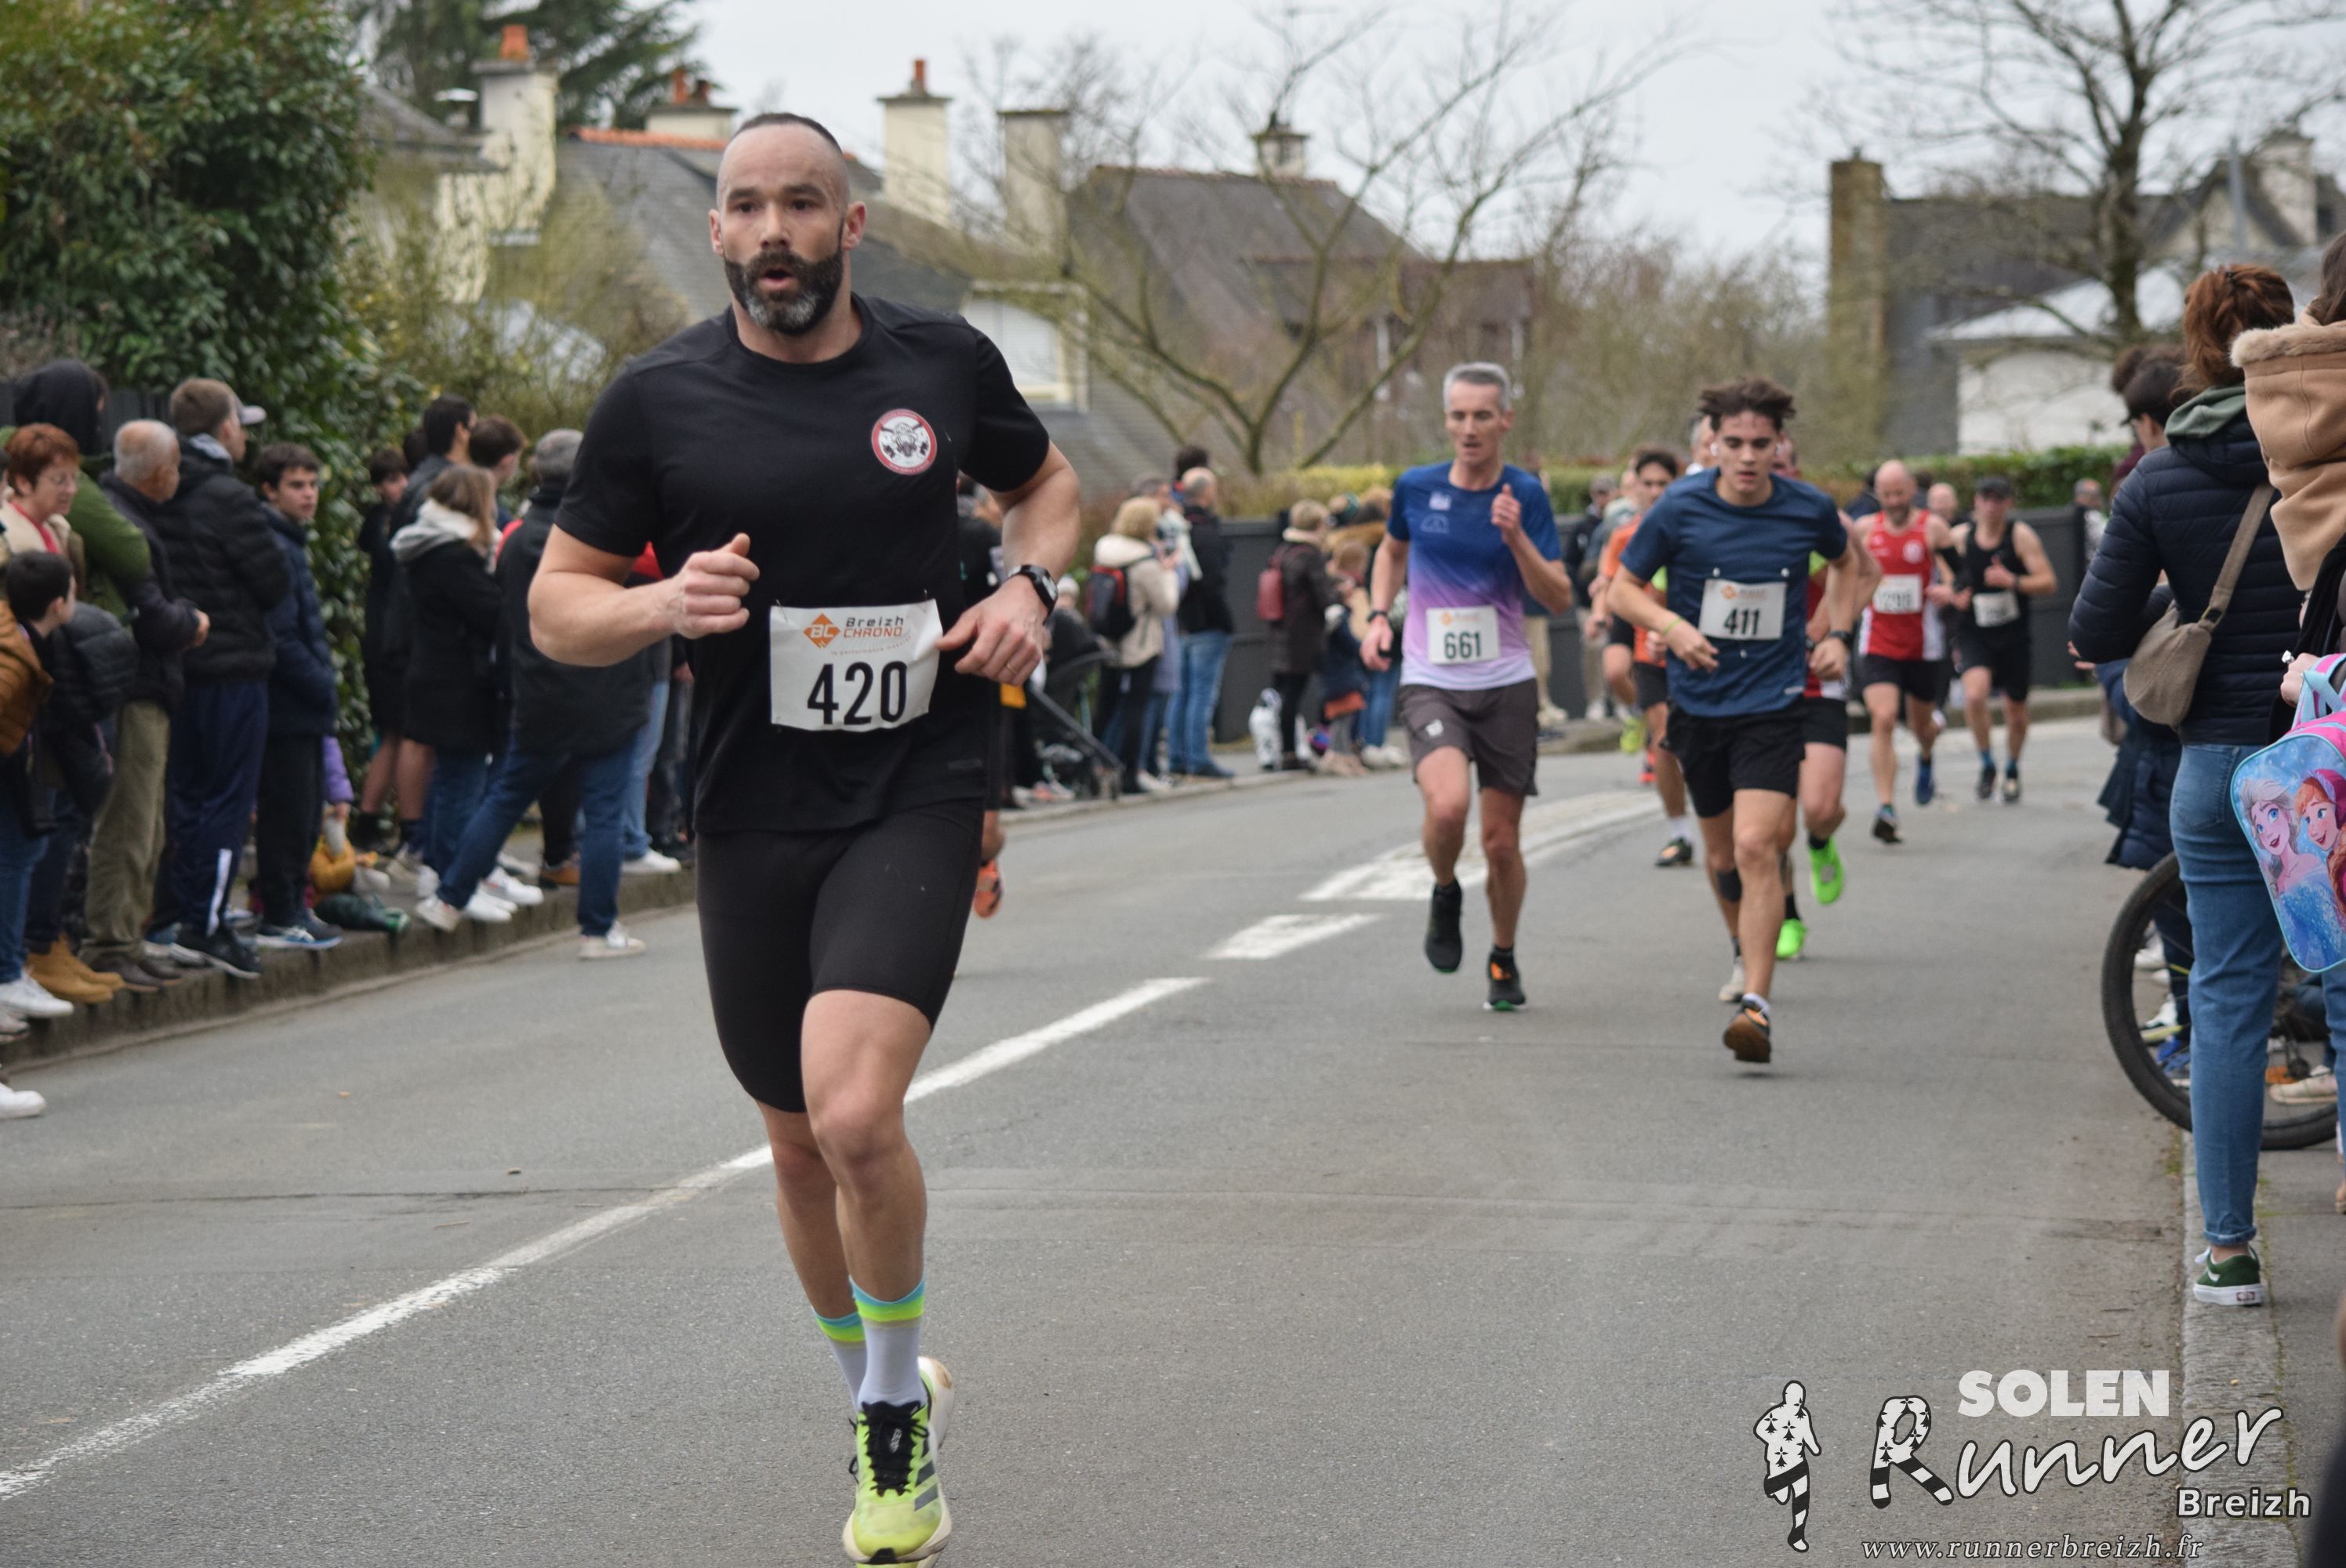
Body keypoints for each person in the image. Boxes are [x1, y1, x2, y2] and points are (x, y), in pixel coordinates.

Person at [528, 110, 1080, 1564]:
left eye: (804, 204)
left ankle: (890, 1420)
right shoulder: (657, 401)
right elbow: (557, 607)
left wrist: (1028, 589)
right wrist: (660, 605)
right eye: (748, 206)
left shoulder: (939, 365)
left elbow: (1045, 487)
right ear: (717, 230)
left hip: (916, 779)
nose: (775, 231)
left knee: (851, 1115)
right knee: (790, 1146)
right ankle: (883, 1385)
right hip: (751, 800)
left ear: (851, 224)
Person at [2071, 263, 2302, 1310]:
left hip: (2216, 768)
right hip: (2325, 762)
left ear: (2194, 351)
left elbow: (2093, 630)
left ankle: (2229, 1252)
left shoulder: (2157, 479)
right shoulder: (2328, 457)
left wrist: (2184, 590)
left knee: (2227, 994)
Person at [1608, 376, 1861, 1063]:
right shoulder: (1679, 509)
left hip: (1774, 703)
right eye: (1735, 443)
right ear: (1713, 443)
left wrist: (1836, 633)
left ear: (1780, 444)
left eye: (1761, 443)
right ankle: (1741, 946)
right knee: (1721, 854)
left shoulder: (1807, 508)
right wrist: (1671, 627)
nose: (1748, 457)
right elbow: (1623, 590)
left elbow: (1850, 566)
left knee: (1756, 847)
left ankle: (1757, 1005)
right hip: (1698, 705)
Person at [1360, 362, 1572, 1011]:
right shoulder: (1417, 487)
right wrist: (1378, 615)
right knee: (1449, 807)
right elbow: (1391, 551)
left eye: (1483, 415)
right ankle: (1445, 888)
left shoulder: (1525, 494)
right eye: (1458, 415)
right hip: (1432, 679)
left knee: (1501, 843)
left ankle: (1503, 956)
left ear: (1505, 420)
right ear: (1446, 420)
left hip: (1506, 681)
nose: (1469, 428)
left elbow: (1558, 596)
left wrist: (1515, 538)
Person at [416, 433, 652, 955]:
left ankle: (449, 897)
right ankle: (598, 930)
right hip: (610, 690)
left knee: (505, 797)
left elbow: (506, 617)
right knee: (605, 814)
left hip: (542, 690)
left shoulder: (517, 538)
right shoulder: (612, 535)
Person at [154, 379, 288, 979]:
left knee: (186, 794)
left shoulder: (160, 489)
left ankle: (179, 913)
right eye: (242, 427)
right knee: (228, 799)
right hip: (233, 666)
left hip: (180, 664)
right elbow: (273, 582)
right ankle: (205, 924)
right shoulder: (229, 497)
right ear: (227, 428)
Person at [83, 423, 206, 989]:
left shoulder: (124, 514)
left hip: (146, 685)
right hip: (137, 687)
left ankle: (127, 937)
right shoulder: (124, 525)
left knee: (147, 823)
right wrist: (191, 622)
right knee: (129, 822)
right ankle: (111, 941)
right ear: (162, 471)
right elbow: (150, 611)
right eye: (175, 463)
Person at [1772, 435, 1877, 964]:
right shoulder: (1731, 522)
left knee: (1819, 807)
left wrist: (1831, 629)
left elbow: (1869, 573)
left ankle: (1820, 842)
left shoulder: (1823, 519)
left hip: (1819, 680)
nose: (1768, 469)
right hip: (1762, 685)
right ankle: (1788, 915)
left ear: (1795, 468)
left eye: (1780, 462)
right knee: (1772, 826)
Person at [394, 464, 511, 898]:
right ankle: (452, 877)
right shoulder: (454, 556)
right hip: (458, 683)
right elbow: (492, 612)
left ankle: (446, 868)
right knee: (460, 783)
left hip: (439, 677)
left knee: (452, 780)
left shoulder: (428, 548)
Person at [252, 444, 343, 951]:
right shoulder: (274, 544)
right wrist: (320, 682)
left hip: (302, 703)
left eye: (312, 484)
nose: (308, 494)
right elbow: (282, 634)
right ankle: (280, 913)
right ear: (270, 490)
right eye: (296, 485)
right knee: (287, 813)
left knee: (306, 813)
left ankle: (294, 907)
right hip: (287, 703)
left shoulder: (290, 539)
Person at [379, 395, 475, 865]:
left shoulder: (421, 479)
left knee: (420, 734)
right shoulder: (441, 484)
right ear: (460, 429)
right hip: (425, 631)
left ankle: (429, 839)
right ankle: (420, 840)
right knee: (421, 735)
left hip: (411, 626)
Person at [1592, 447, 1694, 866]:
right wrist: (1599, 614)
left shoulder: (1695, 530)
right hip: (1647, 644)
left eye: (1662, 484)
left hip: (1697, 648)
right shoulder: (1625, 534)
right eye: (1647, 484)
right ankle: (1679, 833)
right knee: (1665, 739)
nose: (1654, 492)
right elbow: (1610, 584)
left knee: (1700, 745)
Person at [1853, 459, 1956, 843]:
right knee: (1882, 718)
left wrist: (1949, 589)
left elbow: (1960, 573)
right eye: (1886, 494)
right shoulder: (1865, 530)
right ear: (1876, 494)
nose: (1894, 501)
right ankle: (1886, 807)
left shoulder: (1932, 528)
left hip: (1922, 646)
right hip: (1878, 642)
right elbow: (1845, 572)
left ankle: (1926, 754)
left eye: (1899, 493)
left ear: (1912, 489)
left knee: (1920, 727)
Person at [0, 550, 79, 1033]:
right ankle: (7, 975)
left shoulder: (23, 637)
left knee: (21, 854)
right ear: (57, 604)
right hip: (10, 769)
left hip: (15, 764)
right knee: (16, 858)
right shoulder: (15, 658)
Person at [1948, 476, 2057, 804]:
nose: (1991, 506)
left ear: (2008, 503)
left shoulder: (2020, 536)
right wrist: (1954, 592)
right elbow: (1943, 571)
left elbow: (2048, 582)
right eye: (1986, 498)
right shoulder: (1960, 537)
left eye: (1998, 499)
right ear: (1976, 502)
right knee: (1974, 695)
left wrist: (2013, 581)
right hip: (1974, 632)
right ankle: (1986, 764)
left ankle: (2011, 768)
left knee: (2015, 710)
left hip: (2013, 635)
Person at [1088, 495, 1181, 793]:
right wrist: (1169, 573)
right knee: (1136, 709)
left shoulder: (1104, 551)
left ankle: (1092, 768)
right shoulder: (1145, 563)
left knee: (1105, 707)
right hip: (1140, 643)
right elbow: (1166, 605)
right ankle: (1130, 773)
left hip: (1108, 640)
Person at [354, 446, 409, 848]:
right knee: (399, 736)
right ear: (377, 487)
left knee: (393, 736)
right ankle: (392, 822)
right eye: (391, 480)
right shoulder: (384, 527)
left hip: (384, 642)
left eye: (403, 477)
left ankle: (373, 820)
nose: (401, 486)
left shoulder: (381, 523)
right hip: (388, 646)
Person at [1169, 466, 1234, 779]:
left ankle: (1177, 756)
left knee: (1181, 693)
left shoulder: (1176, 529)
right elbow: (1211, 582)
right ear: (1207, 492)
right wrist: (1222, 621)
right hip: (1206, 623)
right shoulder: (1205, 532)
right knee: (1201, 693)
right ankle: (1197, 757)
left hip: (1182, 621)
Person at [1266, 499, 1340, 771]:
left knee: (1285, 693)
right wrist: (1339, 593)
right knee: (1299, 693)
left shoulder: (1284, 550)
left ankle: (1286, 749)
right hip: (1305, 635)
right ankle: (1295, 750)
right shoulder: (1310, 555)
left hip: (1282, 630)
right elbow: (1323, 597)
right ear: (1318, 525)